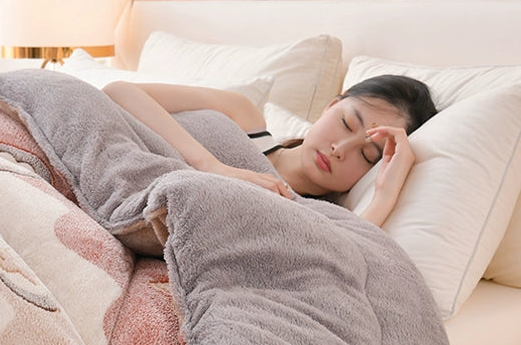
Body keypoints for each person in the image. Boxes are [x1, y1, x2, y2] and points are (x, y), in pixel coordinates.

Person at [102, 74, 437, 227]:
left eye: (367, 156)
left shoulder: (310, 215)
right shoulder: (243, 116)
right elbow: (119, 91)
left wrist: (385, 195)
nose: (340, 149)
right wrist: (212, 166)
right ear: (331, 105)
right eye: (347, 123)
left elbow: (347, 252)